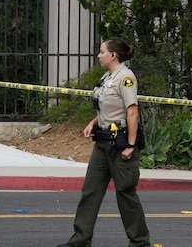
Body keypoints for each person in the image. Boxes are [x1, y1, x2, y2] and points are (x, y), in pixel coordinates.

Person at [58, 37, 150, 247]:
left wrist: (131, 145)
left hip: (120, 144)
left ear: (113, 55)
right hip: (102, 144)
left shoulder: (126, 78)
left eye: (101, 52)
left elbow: (132, 112)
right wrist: (93, 122)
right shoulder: (107, 77)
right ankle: (80, 240)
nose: (98, 55)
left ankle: (140, 242)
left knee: (125, 193)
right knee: (90, 191)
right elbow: (109, 109)